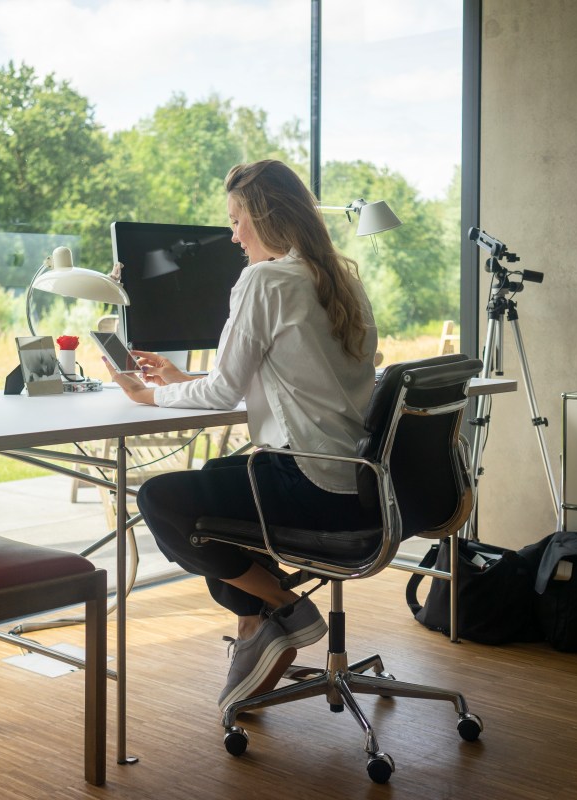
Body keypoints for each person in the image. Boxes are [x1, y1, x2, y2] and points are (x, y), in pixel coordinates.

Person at [102, 159, 380, 711]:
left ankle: (283, 608)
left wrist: (148, 394)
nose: (232, 235)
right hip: (359, 483)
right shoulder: (337, 279)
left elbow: (223, 396)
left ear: (266, 217)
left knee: (161, 501)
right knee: (212, 478)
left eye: (236, 221)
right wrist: (184, 380)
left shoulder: (266, 279)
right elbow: (281, 376)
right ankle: (254, 629)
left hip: (309, 483)